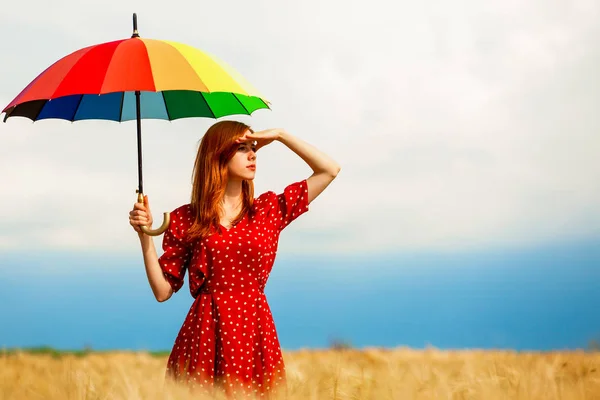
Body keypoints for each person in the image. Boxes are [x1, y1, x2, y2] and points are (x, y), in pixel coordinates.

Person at [128, 120, 341, 399]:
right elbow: (162, 291)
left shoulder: (268, 210)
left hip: (254, 332)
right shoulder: (187, 218)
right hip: (205, 335)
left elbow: (329, 170)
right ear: (218, 154)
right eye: (242, 148)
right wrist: (145, 236)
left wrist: (280, 135)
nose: (253, 154)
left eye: (254, 147)